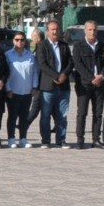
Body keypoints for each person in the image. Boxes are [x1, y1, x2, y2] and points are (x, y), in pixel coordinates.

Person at [70, 20, 104, 148]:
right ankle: (80, 140)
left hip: (99, 84)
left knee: (98, 113)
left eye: (95, 30)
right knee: (82, 113)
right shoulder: (78, 46)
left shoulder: (102, 46)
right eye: (90, 29)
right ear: (85, 31)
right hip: (84, 85)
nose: (92, 32)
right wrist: (91, 78)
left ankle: (96, 139)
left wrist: (101, 76)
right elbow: (78, 64)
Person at [36, 20, 71, 149]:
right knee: (45, 114)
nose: (55, 32)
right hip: (48, 86)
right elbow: (42, 64)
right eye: (52, 29)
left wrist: (64, 75)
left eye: (57, 29)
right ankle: (45, 140)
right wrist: (56, 76)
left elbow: (70, 63)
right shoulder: (42, 46)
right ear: (47, 31)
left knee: (63, 115)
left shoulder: (64, 46)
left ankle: (61, 139)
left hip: (64, 86)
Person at [3, 31, 38, 147]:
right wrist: (8, 89)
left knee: (24, 117)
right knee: (12, 116)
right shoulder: (8, 55)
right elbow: (5, 74)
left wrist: (34, 87)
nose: (19, 42)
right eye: (17, 39)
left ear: (25, 41)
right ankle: (11, 139)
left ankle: (23, 139)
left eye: (22, 40)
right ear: (13, 41)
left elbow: (35, 73)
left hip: (27, 91)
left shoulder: (30, 55)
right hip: (13, 91)